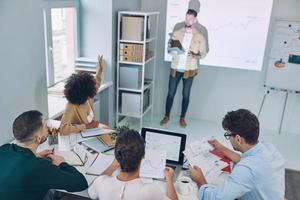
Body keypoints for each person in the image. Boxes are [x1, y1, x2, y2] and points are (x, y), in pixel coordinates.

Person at [189, 109, 285, 200]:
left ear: (238, 139)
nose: (228, 138)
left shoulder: (246, 170)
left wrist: (200, 180)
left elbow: (215, 198)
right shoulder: (269, 148)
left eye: (228, 135)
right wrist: (219, 147)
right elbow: (243, 160)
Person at [0, 110, 88, 200]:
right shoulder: (39, 167)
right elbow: (81, 183)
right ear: (38, 138)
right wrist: (62, 163)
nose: (48, 128)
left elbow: (17, 167)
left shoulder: (4, 149)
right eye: (45, 126)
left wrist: (35, 156)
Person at [88, 129, 178, 200]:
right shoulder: (148, 191)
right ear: (143, 156)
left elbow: (91, 190)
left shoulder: (102, 183)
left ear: (116, 156)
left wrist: (112, 166)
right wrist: (169, 179)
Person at [161, 9, 208, 128]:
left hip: (189, 70)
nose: (188, 21)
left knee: (186, 95)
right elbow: (169, 48)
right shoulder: (177, 32)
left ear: (195, 20)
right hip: (176, 68)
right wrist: (172, 51)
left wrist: (195, 55)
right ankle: (166, 116)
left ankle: (182, 118)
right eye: (187, 18)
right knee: (170, 93)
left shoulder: (200, 36)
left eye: (191, 19)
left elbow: (203, 53)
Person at [59, 55, 108, 135]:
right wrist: (86, 126)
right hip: (82, 135)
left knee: (107, 130)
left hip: (92, 130)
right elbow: (62, 129)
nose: (93, 89)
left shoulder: (88, 96)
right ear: (84, 92)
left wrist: (100, 69)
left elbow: (97, 83)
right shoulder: (71, 105)